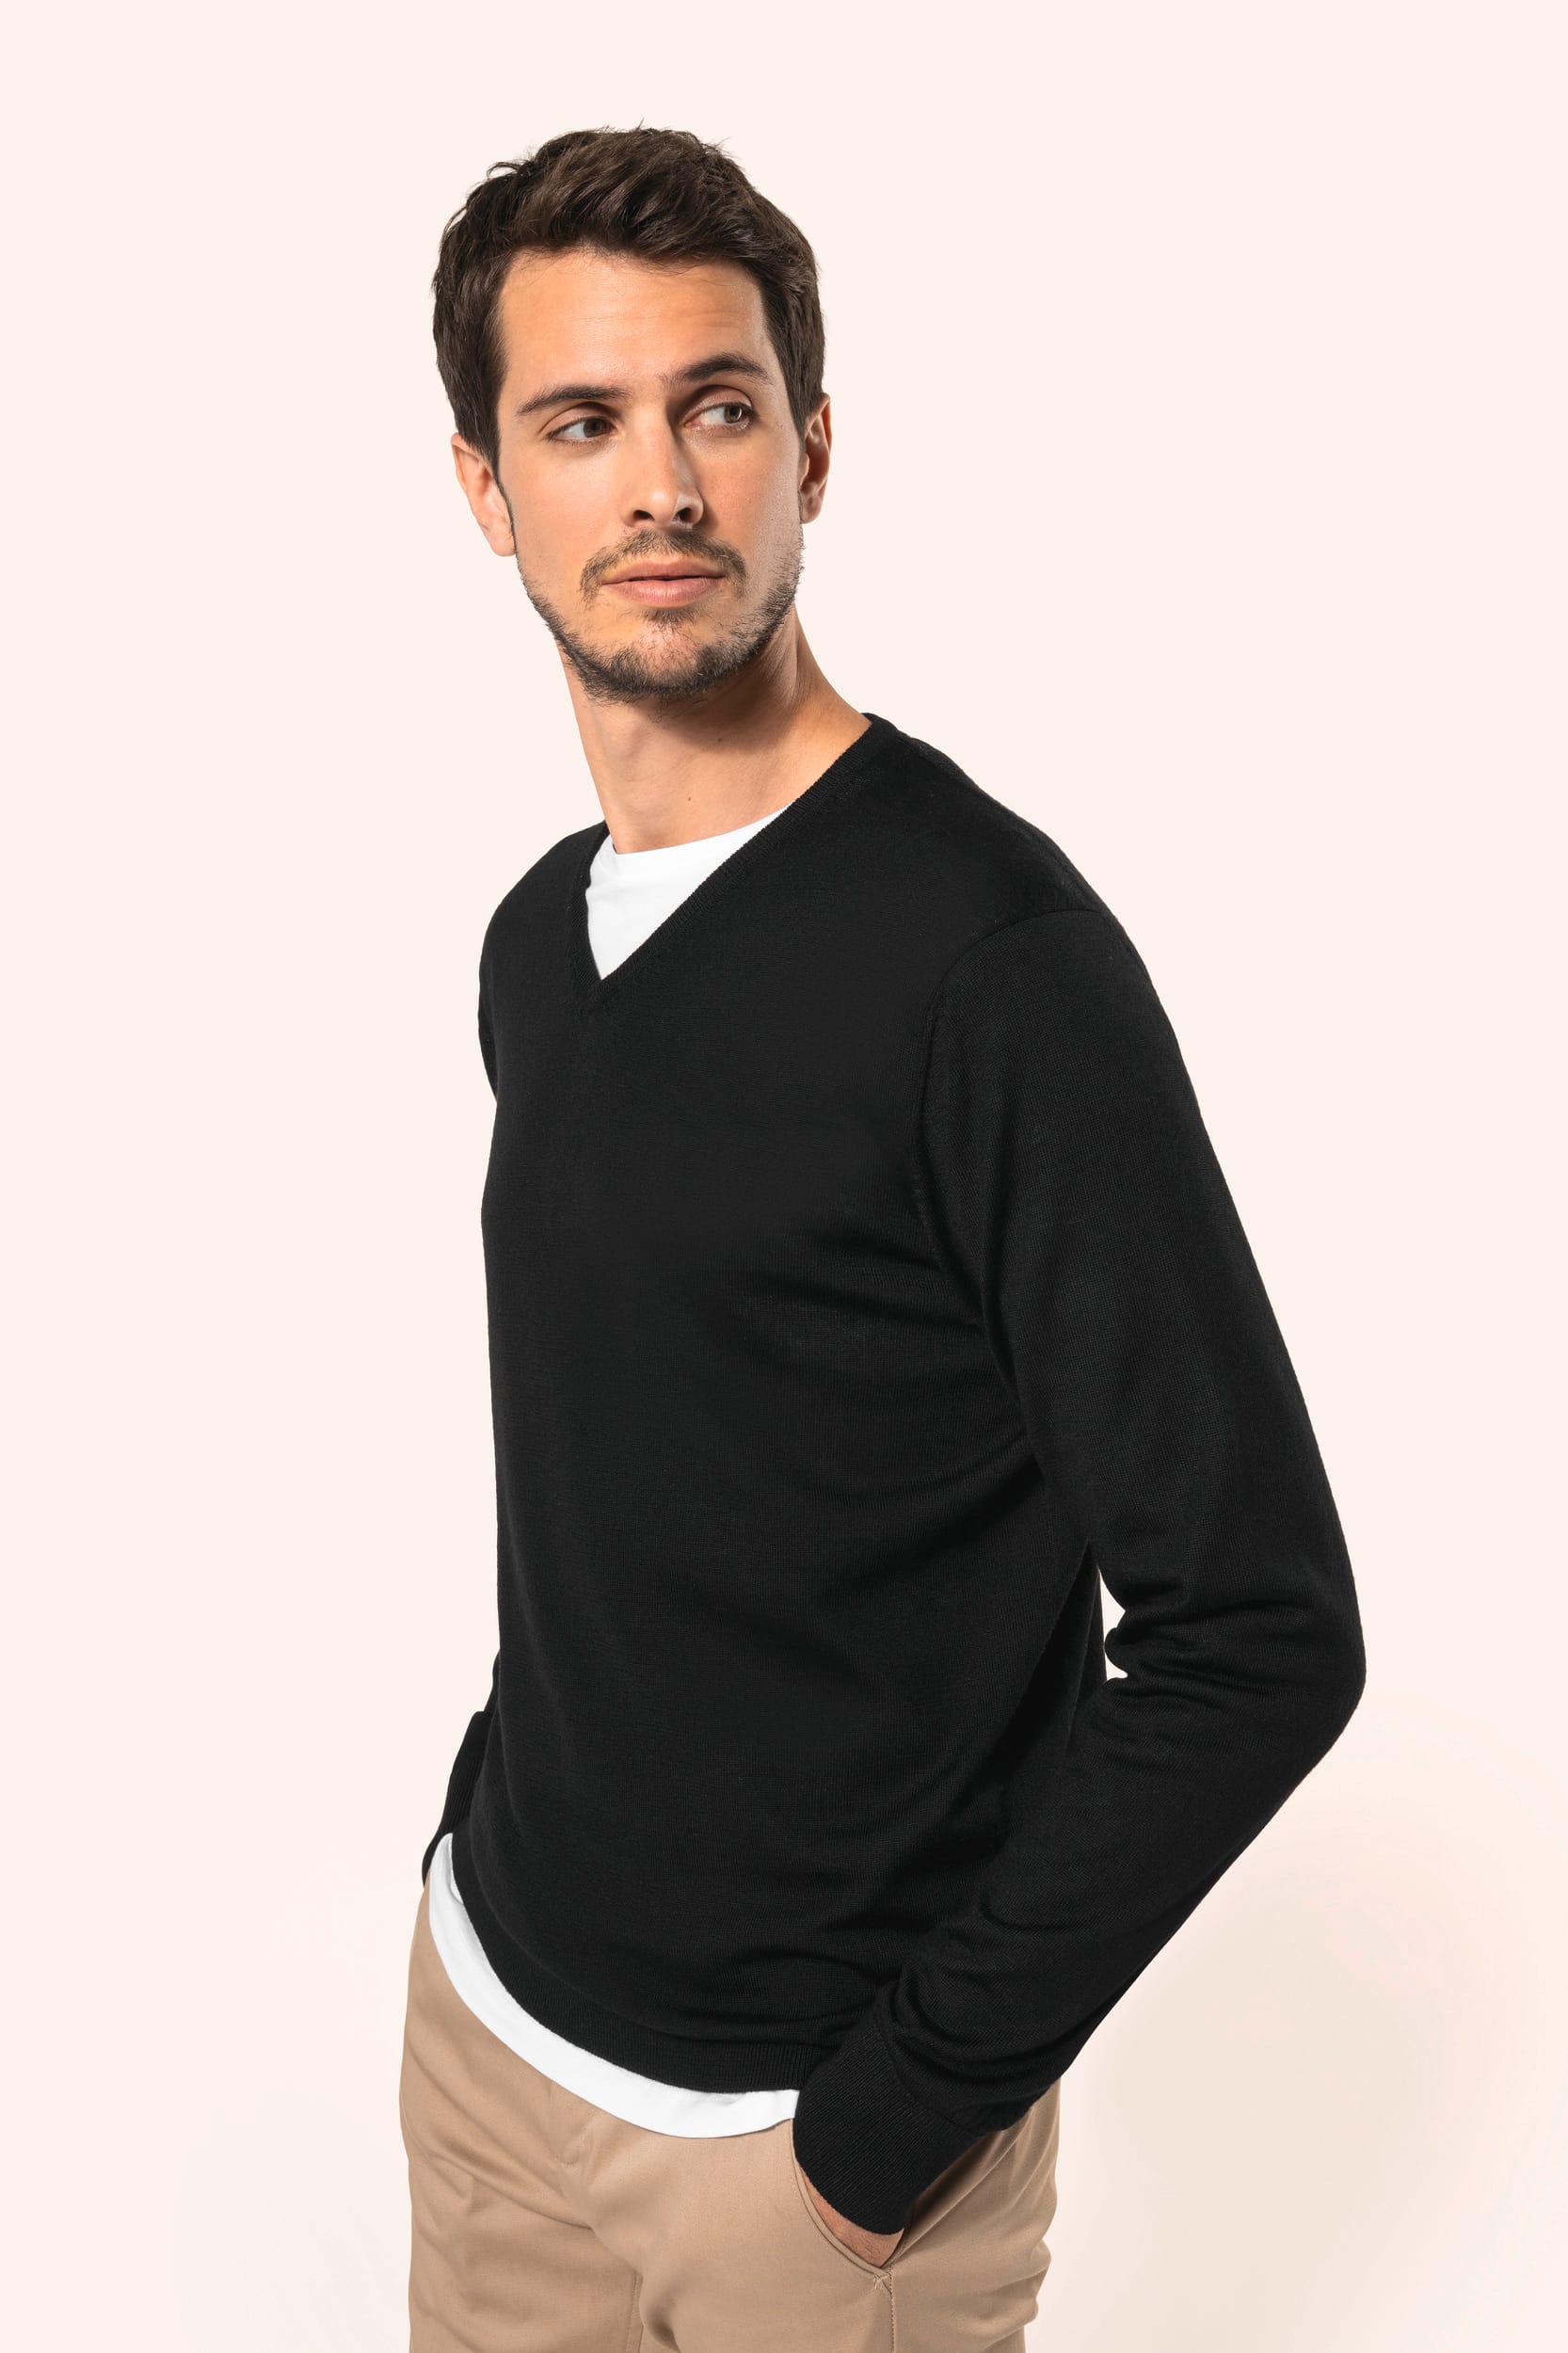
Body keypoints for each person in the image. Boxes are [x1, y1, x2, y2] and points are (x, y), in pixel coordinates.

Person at [396, 125, 1367, 2353]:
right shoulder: (540, 946)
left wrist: (880, 2129)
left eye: (717, 408)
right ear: (486, 488)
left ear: (810, 451)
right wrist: (474, 1850)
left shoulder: (989, 966)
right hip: (492, 2063)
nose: (662, 484)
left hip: (810, 2174)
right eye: (581, 422)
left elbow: (1255, 1630)